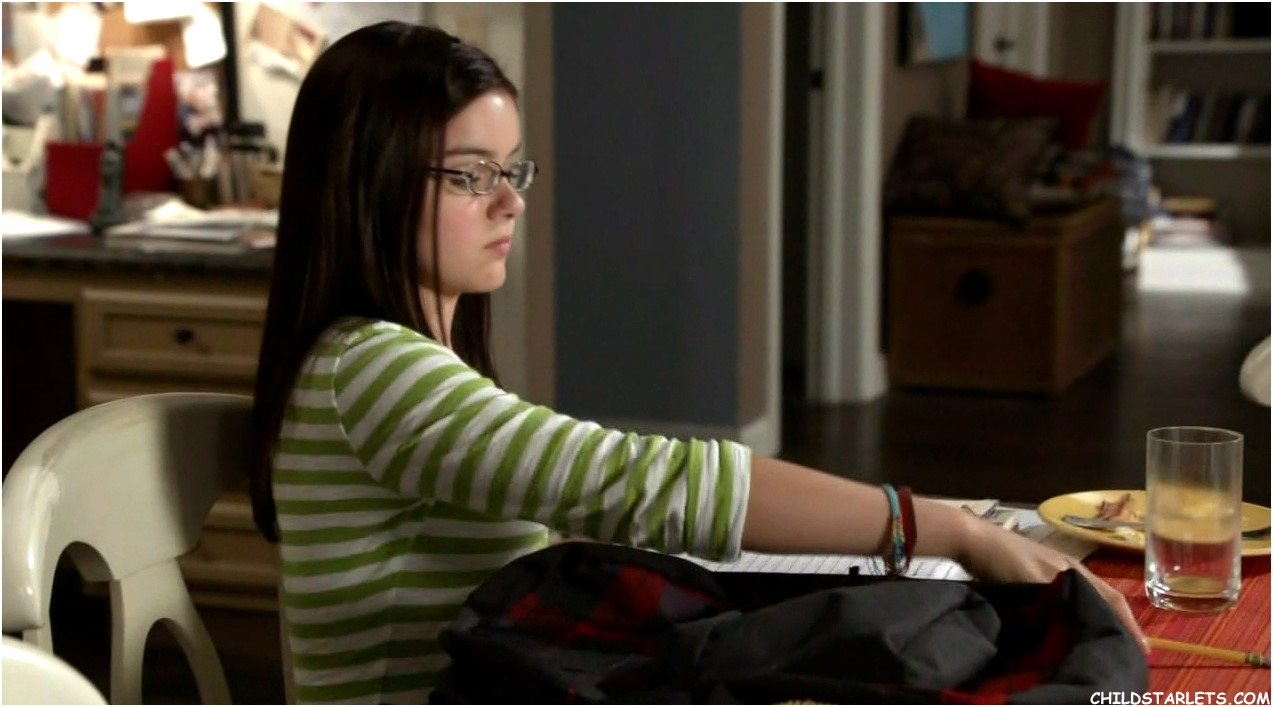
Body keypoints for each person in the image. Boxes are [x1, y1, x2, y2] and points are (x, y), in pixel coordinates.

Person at [249, 21, 1146, 705]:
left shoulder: (392, 363)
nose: (509, 203)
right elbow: (635, 479)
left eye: (512, 170)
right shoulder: (373, 371)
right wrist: (942, 528)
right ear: (367, 179)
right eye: (469, 174)